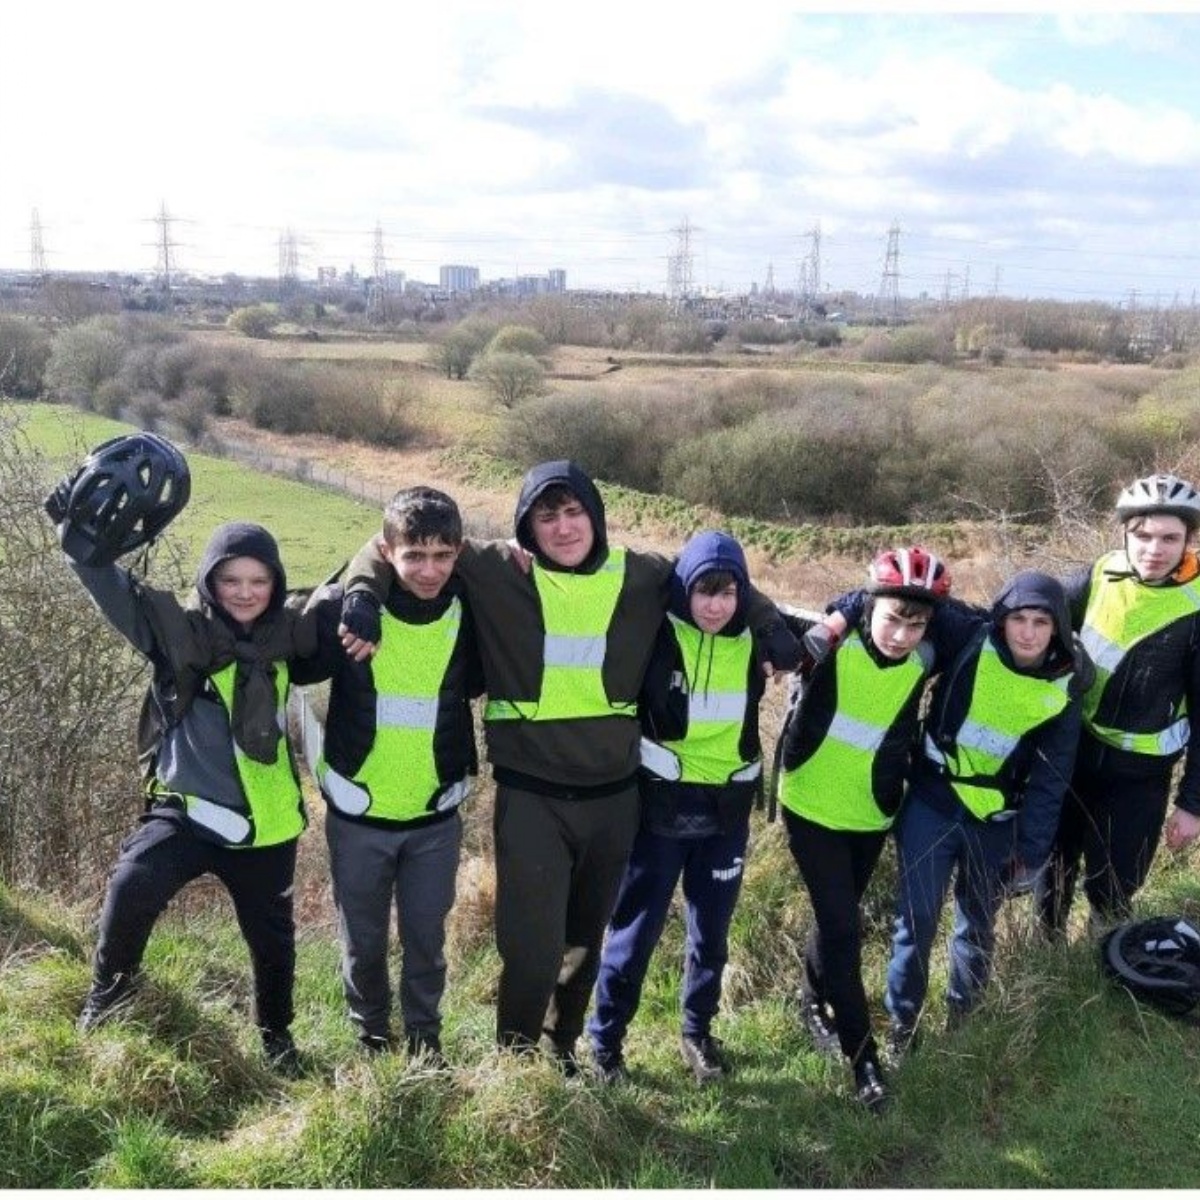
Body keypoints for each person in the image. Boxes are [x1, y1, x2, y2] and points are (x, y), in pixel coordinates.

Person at [339, 460, 800, 1072]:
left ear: (596, 515)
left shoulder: (639, 574)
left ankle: (560, 1052)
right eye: (545, 516)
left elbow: (714, 575)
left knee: (583, 942)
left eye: (574, 511)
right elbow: (386, 542)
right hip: (532, 798)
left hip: (615, 798)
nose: (562, 528)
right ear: (526, 527)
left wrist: (769, 625)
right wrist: (364, 594)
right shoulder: (494, 569)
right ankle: (515, 1060)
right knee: (532, 950)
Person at [45, 432, 317, 1075]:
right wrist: (75, 537)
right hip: (187, 812)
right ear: (210, 580)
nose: (245, 591)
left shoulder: (292, 632)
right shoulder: (176, 632)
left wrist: (362, 603)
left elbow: (350, 591)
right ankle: (105, 1003)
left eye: (258, 580)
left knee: (274, 945)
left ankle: (276, 1041)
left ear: (274, 584)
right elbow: (109, 584)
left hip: (268, 823)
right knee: (131, 889)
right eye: (230, 579)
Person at [585, 531, 824, 1086]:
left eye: (728, 592)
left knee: (710, 935)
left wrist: (789, 633)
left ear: (743, 593)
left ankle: (697, 1035)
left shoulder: (761, 633)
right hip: (658, 812)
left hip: (726, 816)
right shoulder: (654, 626)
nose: (715, 605)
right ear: (684, 591)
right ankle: (605, 1044)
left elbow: (845, 621)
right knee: (634, 933)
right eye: (704, 592)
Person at [292, 486, 482, 1062]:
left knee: (427, 942)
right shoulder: (348, 615)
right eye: (413, 556)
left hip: (434, 818)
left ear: (459, 553)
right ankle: (371, 1038)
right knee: (364, 942)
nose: (429, 570)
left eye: (443, 556)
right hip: (359, 817)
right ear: (386, 551)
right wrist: (350, 591)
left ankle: (425, 1042)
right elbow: (292, 658)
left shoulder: (470, 611)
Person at [884, 570, 1091, 1055]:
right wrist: (837, 619)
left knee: (976, 925)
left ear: (1058, 627)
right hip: (933, 803)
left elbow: (1051, 777)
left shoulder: (1064, 687)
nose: (1028, 632)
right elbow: (900, 599)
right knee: (915, 920)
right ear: (1003, 618)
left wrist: (1033, 851)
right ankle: (903, 1028)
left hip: (996, 820)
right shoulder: (970, 639)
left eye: (1041, 622)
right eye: (1019, 618)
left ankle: (964, 1022)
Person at [775, 547, 949, 1113]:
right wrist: (847, 608)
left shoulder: (926, 657)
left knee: (838, 915)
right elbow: (756, 611)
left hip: (872, 812)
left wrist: (867, 606)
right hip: (809, 807)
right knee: (845, 929)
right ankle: (863, 1062)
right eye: (892, 617)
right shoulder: (828, 644)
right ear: (870, 607)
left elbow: (979, 620)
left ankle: (809, 1004)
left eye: (915, 622)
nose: (901, 634)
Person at [1038, 473, 1200, 937]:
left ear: (1189, 540)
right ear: (1125, 533)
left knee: (1113, 885)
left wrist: (1191, 805)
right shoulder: (1101, 572)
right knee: (1054, 869)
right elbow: (1032, 616)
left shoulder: (1196, 604)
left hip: (1140, 772)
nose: (1154, 548)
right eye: (1142, 535)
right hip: (1076, 751)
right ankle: (1045, 957)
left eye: (1170, 538)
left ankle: (1105, 962)